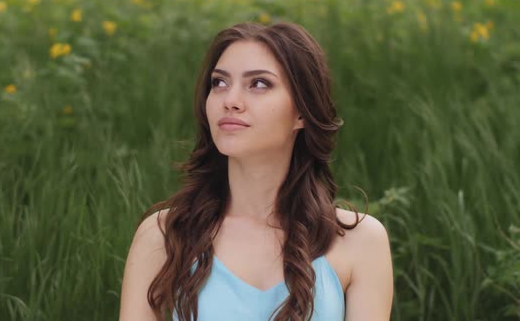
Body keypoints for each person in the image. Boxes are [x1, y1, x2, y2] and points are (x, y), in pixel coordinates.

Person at [119, 21, 393, 321]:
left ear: (302, 111)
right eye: (219, 83)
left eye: (259, 84)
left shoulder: (361, 241)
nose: (230, 101)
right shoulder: (164, 235)